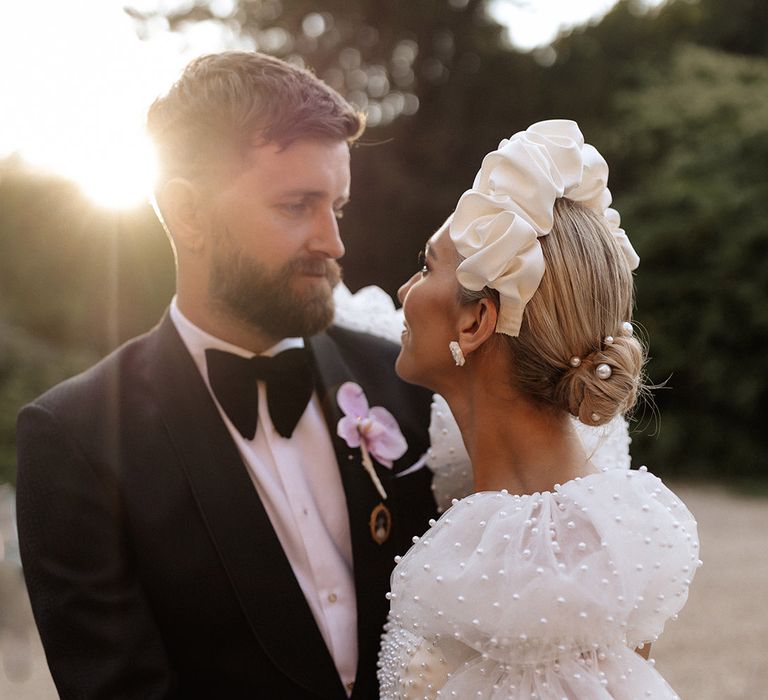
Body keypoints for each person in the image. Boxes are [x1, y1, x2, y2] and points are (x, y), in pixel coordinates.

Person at [15, 51, 437, 700]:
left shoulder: (401, 379)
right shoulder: (75, 439)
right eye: (298, 206)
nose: (334, 243)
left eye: (339, 208)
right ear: (188, 215)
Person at [377, 120, 701, 699]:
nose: (404, 291)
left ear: (475, 323)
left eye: (426, 267)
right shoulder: (596, 548)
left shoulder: (546, 578)